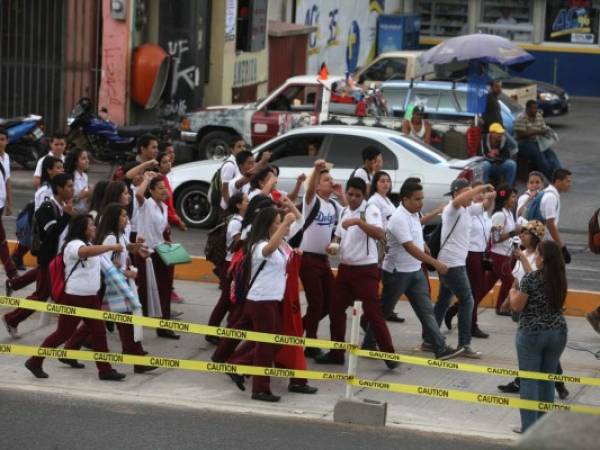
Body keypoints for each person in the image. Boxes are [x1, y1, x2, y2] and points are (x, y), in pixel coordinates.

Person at [362, 180, 463, 360]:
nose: (421, 203)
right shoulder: (398, 218)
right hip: (397, 273)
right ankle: (369, 344)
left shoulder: (414, 213)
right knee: (384, 311)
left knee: (426, 311)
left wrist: (423, 243)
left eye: (422, 198)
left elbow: (415, 234)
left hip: (415, 272)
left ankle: (439, 348)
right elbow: (409, 247)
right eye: (417, 199)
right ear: (405, 199)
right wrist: (435, 263)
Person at [23, 214, 126, 381]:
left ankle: (105, 370)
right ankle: (35, 361)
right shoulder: (73, 245)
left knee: (99, 333)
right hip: (75, 297)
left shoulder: (90, 244)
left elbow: (100, 261)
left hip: (91, 297)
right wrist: (110, 247)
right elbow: (84, 252)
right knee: (63, 334)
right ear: (82, 229)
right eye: (91, 225)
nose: (94, 228)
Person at [60, 204, 156, 374]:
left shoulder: (121, 236)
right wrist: (125, 272)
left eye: (127, 216)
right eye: (123, 216)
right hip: (111, 287)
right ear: (114, 218)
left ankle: (69, 349)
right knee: (123, 322)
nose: (127, 219)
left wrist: (135, 246)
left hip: (114, 285)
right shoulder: (110, 238)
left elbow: (125, 250)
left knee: (95, 323)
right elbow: (105, 264)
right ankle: (137, 359)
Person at [315, 177, 397, 367]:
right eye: (350, 194)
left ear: (364, 195)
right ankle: (336, 353)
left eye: (357, 195)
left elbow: (379, 233)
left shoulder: (370, 210)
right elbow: (338, 235)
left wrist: (358, 222)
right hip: (345, 269)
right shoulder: (344, 210)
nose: (352, 198)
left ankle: (389, 354)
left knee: (373, 313)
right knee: (335, 309)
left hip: (365, 270)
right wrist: (334, 245)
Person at [229, 207, 297, 402]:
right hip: (261, 300)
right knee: (267, 345)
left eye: (279, 221)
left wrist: (288, 223)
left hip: (271, 300)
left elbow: (286, 245)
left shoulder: (276, 243)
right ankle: (260, 389)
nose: (279, 224)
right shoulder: (259, 245)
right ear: (268, 224)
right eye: (276, 221)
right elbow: (269, 250)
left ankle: (238, 363)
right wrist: (285, 224)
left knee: (273, 341)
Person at [3, 173, 75, 338]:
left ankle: (14, 286)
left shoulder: (62, 206)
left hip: (58, 259)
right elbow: (52, 233)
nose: (72, 189)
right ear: (59, 188)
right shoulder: (47, 208)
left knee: (53, 292)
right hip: (48, 260)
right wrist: (66, 216)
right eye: (69, 186)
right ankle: (11, 319)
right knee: (41, 295)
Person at [509, 241, 568, 433]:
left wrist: (512, 293)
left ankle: (529, 427)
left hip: (531, 333)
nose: (537, 258)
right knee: (547, 379)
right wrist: (525, 259)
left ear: (544, 259)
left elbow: (517, 306)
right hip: (557, 332)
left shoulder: (530, 279)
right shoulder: (560, 279)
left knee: (529, 380)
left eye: (539, 255)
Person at [433, 179, 495, 358]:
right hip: (452, 263)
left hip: (452, 262)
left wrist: (489, 196)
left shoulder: (467, 210)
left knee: (444, 300)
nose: (473, 194)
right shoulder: (452, 209)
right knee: (468, 300)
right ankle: (464, 343)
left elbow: (484, 206)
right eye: (467, 191)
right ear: (456, 193)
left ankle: (430, 338)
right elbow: (463, 199)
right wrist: (481, 187)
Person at [299, 159, 346, 358]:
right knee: (316, 303)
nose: (331, 182)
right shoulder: (312, 202)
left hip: (323, 261)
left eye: (331, 179)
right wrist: (316, 171)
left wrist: (341, 194)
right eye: (326, 180)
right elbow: (308, 191)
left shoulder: (333, 206)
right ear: (317, 185)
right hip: (307, 260)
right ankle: (309, 343)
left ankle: (298, 328)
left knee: (332, 302)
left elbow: (351, 212)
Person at [134, 172, 177, 338]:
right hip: (146, 254)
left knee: (165, 290)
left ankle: (163, 326)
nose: (164, 190)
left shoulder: (164, 207)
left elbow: (157, 232)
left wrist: (165, 242)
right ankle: (123, 319)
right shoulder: (146, 205)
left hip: (161, 251)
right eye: (159, 188)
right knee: (143, 291)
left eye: (164, 187)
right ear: (151, 191)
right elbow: (138, 193)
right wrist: (146, 179)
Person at [206, 192, 248, 340]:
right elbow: (237, 243)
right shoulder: (236, 222)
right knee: (225, 300)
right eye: (246, 201)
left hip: (237, 265)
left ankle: (229, 330)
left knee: (233, 301)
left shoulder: (243, 220)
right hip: (231, 265)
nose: (248, 203)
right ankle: (211, 331)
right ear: (238, 205)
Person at [488, 186, 520, 316]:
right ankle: (502, 307)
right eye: (512, 197)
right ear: (505, 199)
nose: (515, 199)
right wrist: (513, 232)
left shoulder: (509, 212)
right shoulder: (499, 215)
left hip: (507, 254)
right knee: (509, 282)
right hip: (498, 255)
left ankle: (500, 307)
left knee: (487, 285)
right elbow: (495, 239)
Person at [514, 100, 562, 181]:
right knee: (539, 156)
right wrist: (536, 132)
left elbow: (543, 128)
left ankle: (559, 174)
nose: (535, 110)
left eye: (536, 108)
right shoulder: (521, 117)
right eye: (533, 108)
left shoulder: (538, 116)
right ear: (527, 109)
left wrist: (547, 132)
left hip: (538, 140)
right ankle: (550, 177)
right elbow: (521, 135)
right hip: (523, 142)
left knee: (551, 154)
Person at [540, 168, 572, 264]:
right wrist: (562, 246)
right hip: (545, 243)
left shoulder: (549, 193)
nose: (569, 184)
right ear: (558, 181)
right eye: (567, 181)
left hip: (544, 241)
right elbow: (550, 224)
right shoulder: (551, 197)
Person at [0, 128, 19, 280]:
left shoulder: (6, 158)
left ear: (7, 141)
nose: (0, 142)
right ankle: (11, 272)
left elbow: (7, 180)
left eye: (2, 139)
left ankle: (11, 272)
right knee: (1, 237)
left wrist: (10, 203)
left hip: (0, 203)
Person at [481, 123, 517, 187]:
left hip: (499, 165)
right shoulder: (483, 139)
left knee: (512, 164)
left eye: (501, 133)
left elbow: (507, 155)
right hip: (488, 165)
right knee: (485, 165)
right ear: (491, 133)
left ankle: (508, 188)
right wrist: (489, 156)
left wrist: (497, 155)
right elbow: (480, 155)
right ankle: (484, 188)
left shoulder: (504, 139)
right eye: (498, 133)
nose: (500, 135)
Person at [219, 135, 247, 212]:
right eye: (239, 147)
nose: (243, 149)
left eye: (244, 146)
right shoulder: (230, 165)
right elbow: (224, 189)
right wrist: (230, 208)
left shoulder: (238, 162)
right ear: (231, 149)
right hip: (228, 207)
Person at [64, 147, 91, 214]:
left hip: (85, 212)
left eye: (87, 158)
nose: (87, 160)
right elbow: (64, 202)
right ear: (75, 162)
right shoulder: (69, 178)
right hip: (73, 214)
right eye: (83, 158)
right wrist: (80, 196)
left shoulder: (85, 176)